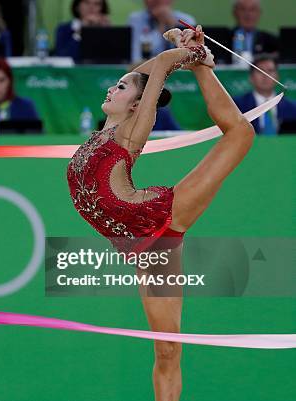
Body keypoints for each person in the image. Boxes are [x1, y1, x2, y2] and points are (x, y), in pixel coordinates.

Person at [66, 25, 256, 401]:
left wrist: (189, 54)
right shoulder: (101, 134)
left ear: (137, 105)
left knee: (240, 134)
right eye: (116, 84)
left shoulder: (132, 132)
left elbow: (160, 67)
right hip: (143, 248)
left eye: (121, 88)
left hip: (160, 218)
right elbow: (150, 71)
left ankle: (206, 73)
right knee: (166, 347)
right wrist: (180, 51)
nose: (112, 88)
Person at [233, 54, 296, 135]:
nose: (265, 75)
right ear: (251, 78)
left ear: (277, 77)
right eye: (260, 71)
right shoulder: (236, 107)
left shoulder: (293, 108)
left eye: (270, 71)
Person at [128, 0, 195, 62]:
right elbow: (136, 58)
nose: (158, 1)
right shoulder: (136, 20)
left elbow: (191, 57)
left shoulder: (185, 21)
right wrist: (161, 27)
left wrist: (173, 28)